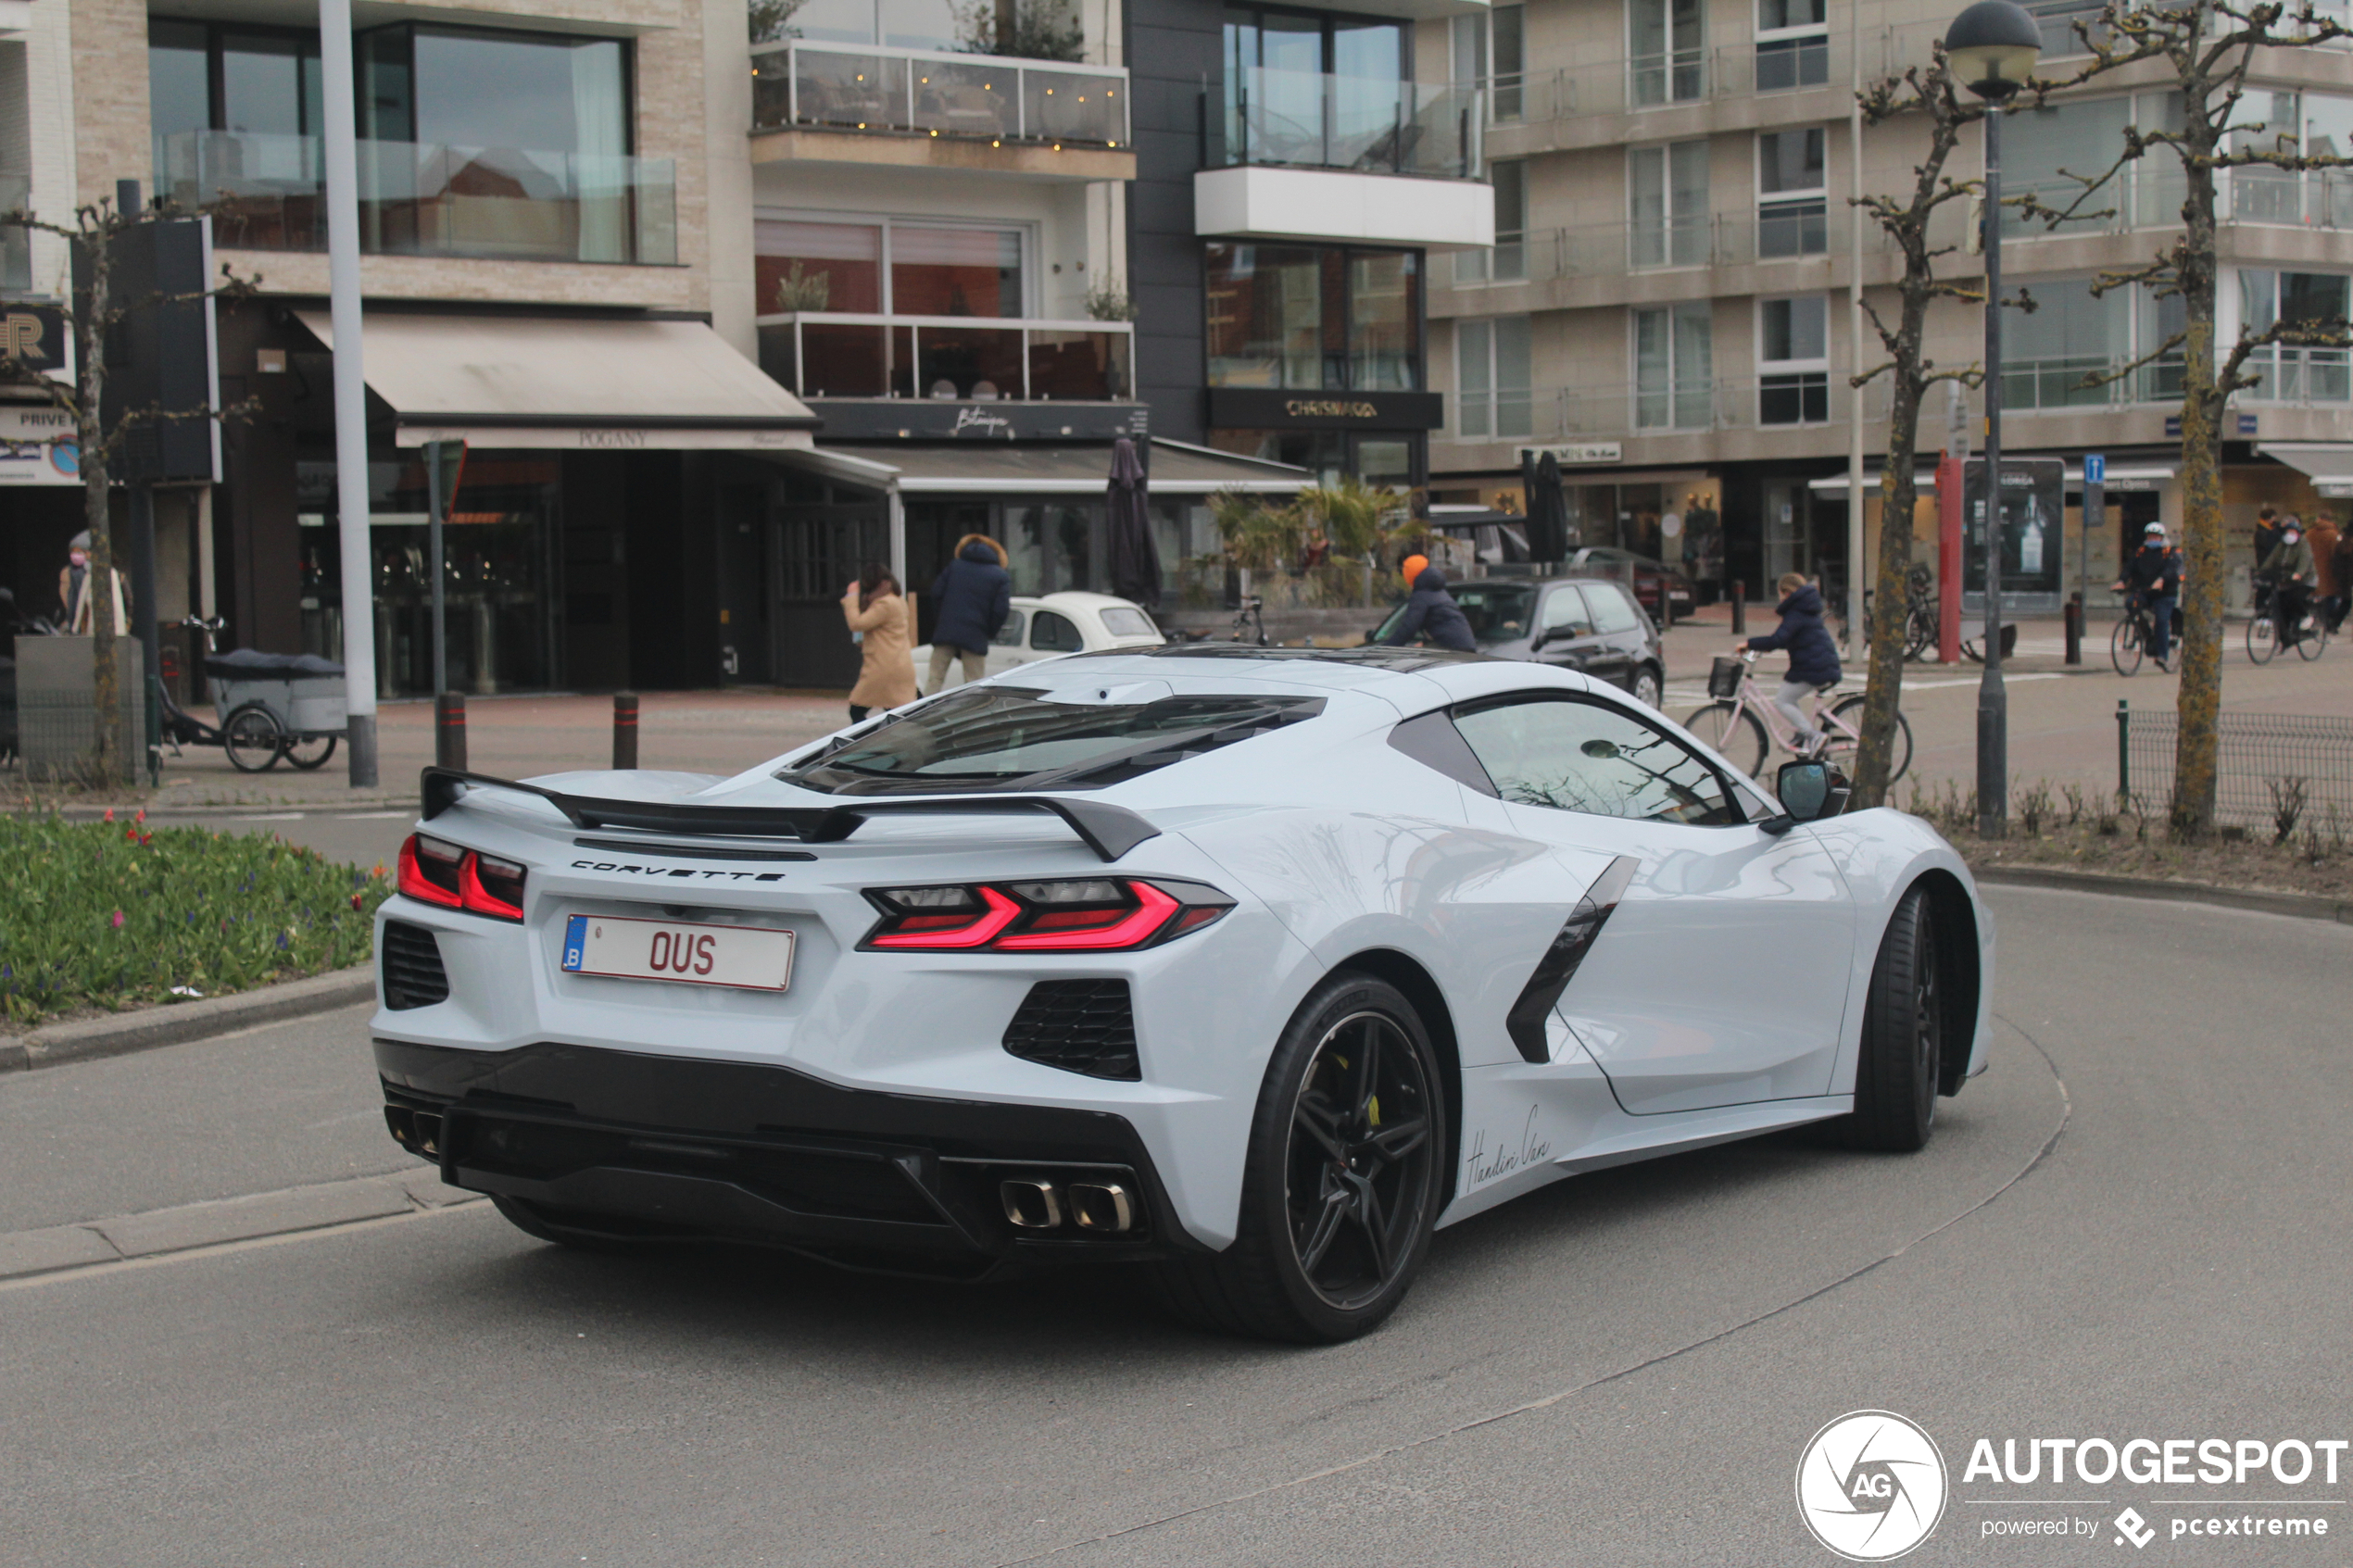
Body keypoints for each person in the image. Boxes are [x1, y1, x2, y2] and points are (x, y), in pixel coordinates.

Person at [1738, 571, 1841, 754]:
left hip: (1815, 667)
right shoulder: (1805, 608)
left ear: (1786, 592)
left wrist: (1749, 644)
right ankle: (1802, 733)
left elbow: (1778, 639)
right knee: (1790, 698)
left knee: (1783, 700)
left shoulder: (1797, 612)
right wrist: (1763, 647)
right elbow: (1785, 639)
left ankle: (1812, 735)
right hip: (1818, 664)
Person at [925, 533, 1011, 693]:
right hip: (975, 634)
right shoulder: (999, 575)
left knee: (935, 678)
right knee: (974, 683)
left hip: (947, 630)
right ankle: (972, 715)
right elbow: (1001, 610)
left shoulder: (955, 566)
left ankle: (924, 714)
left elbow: (936, 593)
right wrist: (988, 632)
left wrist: (943, 620)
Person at [841, 565, 915, 722]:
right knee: (896, 712)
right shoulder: (896, 600)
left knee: (857, 710)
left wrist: (852, 596)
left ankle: (870, 740)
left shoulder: (884, 604)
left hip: (883, 667)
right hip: (897, 664)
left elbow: (857, 623)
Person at [2113, 521, 2183, 670]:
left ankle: (2162, 656)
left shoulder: (2169, 552)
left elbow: (2171, 569)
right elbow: (2129, 567)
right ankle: (2147, 634)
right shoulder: (2141, 551)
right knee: (2131, 603)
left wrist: (2161, 580)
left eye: (2156, 536)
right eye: (2150, 536)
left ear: (2162, 537)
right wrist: (2122, 581)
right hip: (2145, 591)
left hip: (2164, 594)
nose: (2152, 539)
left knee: (2162, 621)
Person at [1379, 563, 1477, 652]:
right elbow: (1444, 626)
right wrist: (1426, 643)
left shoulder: (1421, 595)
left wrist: (1387, 649)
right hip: (1465, 645)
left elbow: (1409, 627)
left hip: (1452, 650)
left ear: (1410, 575)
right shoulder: (1438, 592)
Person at [57, 532, 126, 635]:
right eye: (74, 552)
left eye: (82, 551)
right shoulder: (69, 573)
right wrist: (75, 626)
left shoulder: (110, 574)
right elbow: (72, 599)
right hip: (89, 625)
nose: (76, 555)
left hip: (106, 627)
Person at [2259, 519, 2317, 645]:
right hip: (2286, 580)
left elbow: (2305, 560)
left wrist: (2299, 574)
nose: (2289, 534)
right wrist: (2262, 571)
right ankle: (2286, 638)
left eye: (2292, 531)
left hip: (2305, 580)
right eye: (2288, 531)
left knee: (2294, 599)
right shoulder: (2282, 545)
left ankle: (2305, 617)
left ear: (2298, 533)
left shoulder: (2303, 544)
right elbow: (2272, 558)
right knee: (2281, 606)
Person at [2308, 512, 2342, 632]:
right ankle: (2328, 622)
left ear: (2319, 519)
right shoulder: (2334, 534)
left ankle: (2312, 619)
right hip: (2328, 571)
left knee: (2312, 594)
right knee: (2331, 596)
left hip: (2312, 570)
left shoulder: (2309, 533)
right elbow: (2337, 554)